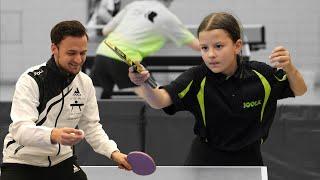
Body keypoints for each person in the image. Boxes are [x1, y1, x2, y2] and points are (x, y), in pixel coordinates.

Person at [128, 12, 307, 166]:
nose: (211, 54)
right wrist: (144, 82)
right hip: (204, 158)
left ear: (237, 46)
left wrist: (290, 68)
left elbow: (299, 90)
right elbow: (160, 100)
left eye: (218, 46)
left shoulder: (260, 75)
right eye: (204, 48)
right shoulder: (196, 77)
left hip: (249, 158)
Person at [0, 20, 131, 180]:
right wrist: (54, 134)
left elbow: (91, 127)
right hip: (22, 162)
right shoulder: (31, 80)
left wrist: (114, 153)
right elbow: (21, 130)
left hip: (62, 160)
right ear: (54, 49)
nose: (78, 60)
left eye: (82, 53)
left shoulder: (85, 82)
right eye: (71, 53)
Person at [90, 0, 200, 99]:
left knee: (93, 103)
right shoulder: (168, 18)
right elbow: (198, 46)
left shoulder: (134, 5)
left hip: (104, 51)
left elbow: (105, 30)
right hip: (126, 57)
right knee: (159, 98)